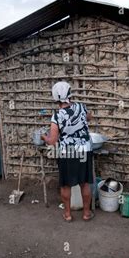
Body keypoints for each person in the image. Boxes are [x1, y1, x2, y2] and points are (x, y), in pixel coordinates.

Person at [41, 81, 94, 222]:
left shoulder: (57, 116)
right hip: (84, 150)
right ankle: (87, 214)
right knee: (85, 183)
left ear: (56, 97)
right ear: (70, 94)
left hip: (67, 152)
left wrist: (44, 137)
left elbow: (52, 141)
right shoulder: (82, 107)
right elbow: (89, 117)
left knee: (65, 184)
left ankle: (68, 214)